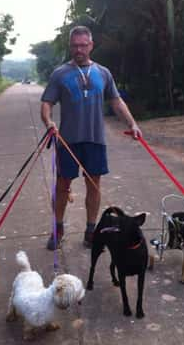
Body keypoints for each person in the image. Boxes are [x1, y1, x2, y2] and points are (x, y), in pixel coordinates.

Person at [40, 25, 142, 250]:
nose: (79, 49)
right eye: (75, 45)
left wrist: (132, 124)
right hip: (67, 141)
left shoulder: (103, 73)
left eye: (83, 45)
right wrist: (49, 123)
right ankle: (58, 228)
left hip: (95, 140)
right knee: (62, 185)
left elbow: (116, 101)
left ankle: (91, 230)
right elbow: (46, 102)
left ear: (91, 45)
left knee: (94, 186)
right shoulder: (60, 74)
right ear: (70, 46)